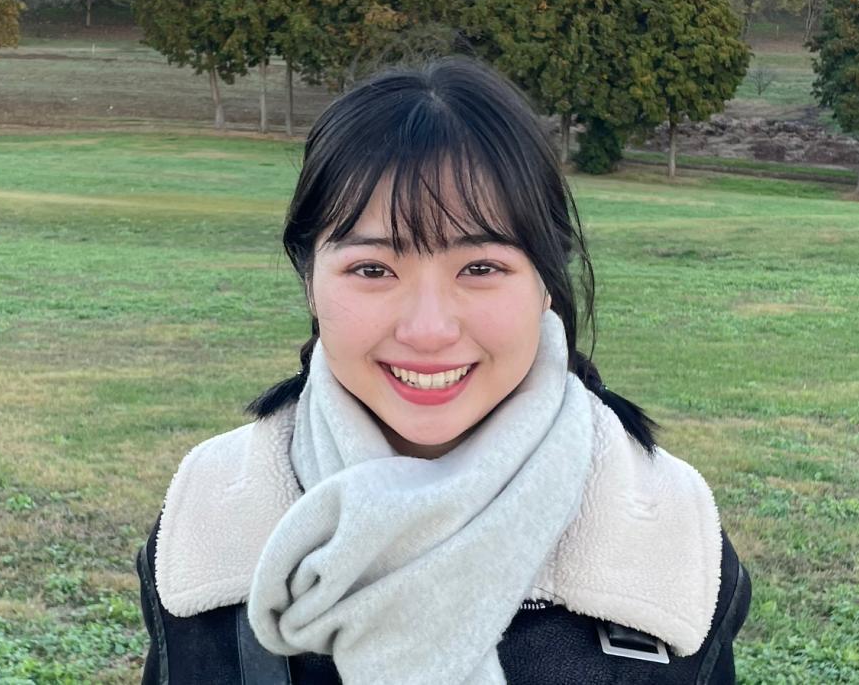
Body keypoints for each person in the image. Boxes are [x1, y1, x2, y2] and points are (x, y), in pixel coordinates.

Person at [137, 57, 751, 684]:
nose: (428, 330)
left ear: (546, 282)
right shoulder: (209, 518)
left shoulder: (671, 534)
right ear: (310, 281)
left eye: (480, 268)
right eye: (373, 269)